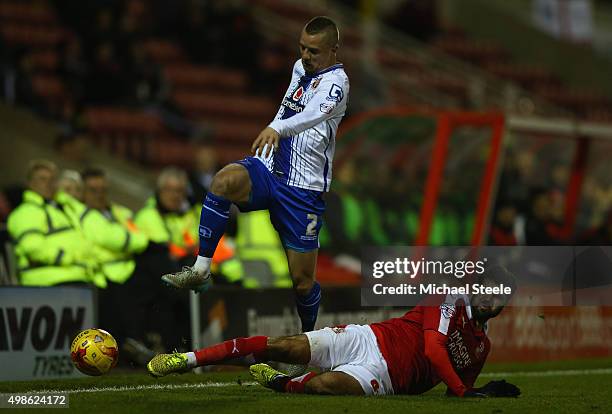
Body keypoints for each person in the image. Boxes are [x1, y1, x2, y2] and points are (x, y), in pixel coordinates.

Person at [162, 16, 350, 334]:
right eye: (302, 48)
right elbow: (286, 107)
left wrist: (276, 128)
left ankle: (309, 341)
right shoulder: (299, 68)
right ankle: (201, 268)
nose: (306, 55)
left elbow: (309, 116)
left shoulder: (338, 84)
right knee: (223, 182)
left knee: (303, 283)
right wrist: (270, 138)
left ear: (333, 49)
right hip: (269, 167)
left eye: (314, 51)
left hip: (303, 189)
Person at [148, 266, 519, 397]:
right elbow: (436, 351)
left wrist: (476, 392)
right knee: (284, 345)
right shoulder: (448, 298)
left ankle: (283, 384)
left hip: (386, 378)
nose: (491, 297)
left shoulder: (481, 347)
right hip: (370, 338)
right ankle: (187, 359)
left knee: (326, 386)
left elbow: (461, 393)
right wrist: (462, 390)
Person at [6, 160, 96, 286]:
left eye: (52, 180)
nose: (48, 184)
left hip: (77, 276)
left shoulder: (59, 209)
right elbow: (32, 246)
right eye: (42, 179)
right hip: (51, 281)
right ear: (30, 183)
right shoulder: (27, 212)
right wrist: (65, 257)